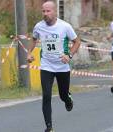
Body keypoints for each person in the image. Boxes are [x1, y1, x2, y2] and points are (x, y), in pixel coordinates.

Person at [27, 1, 80, 132]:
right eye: (43, 11)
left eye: (48, 11)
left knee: (63, 95)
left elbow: (77, 42)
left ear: (54, 11)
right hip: (46, 66)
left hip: (62, 67)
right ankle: (49, 127)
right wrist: (29, 53)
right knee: (46, 95)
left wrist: (69, 56)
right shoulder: (38, 26)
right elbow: (34, 39)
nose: (45, 14)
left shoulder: (65, 26)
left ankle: (68, 99)